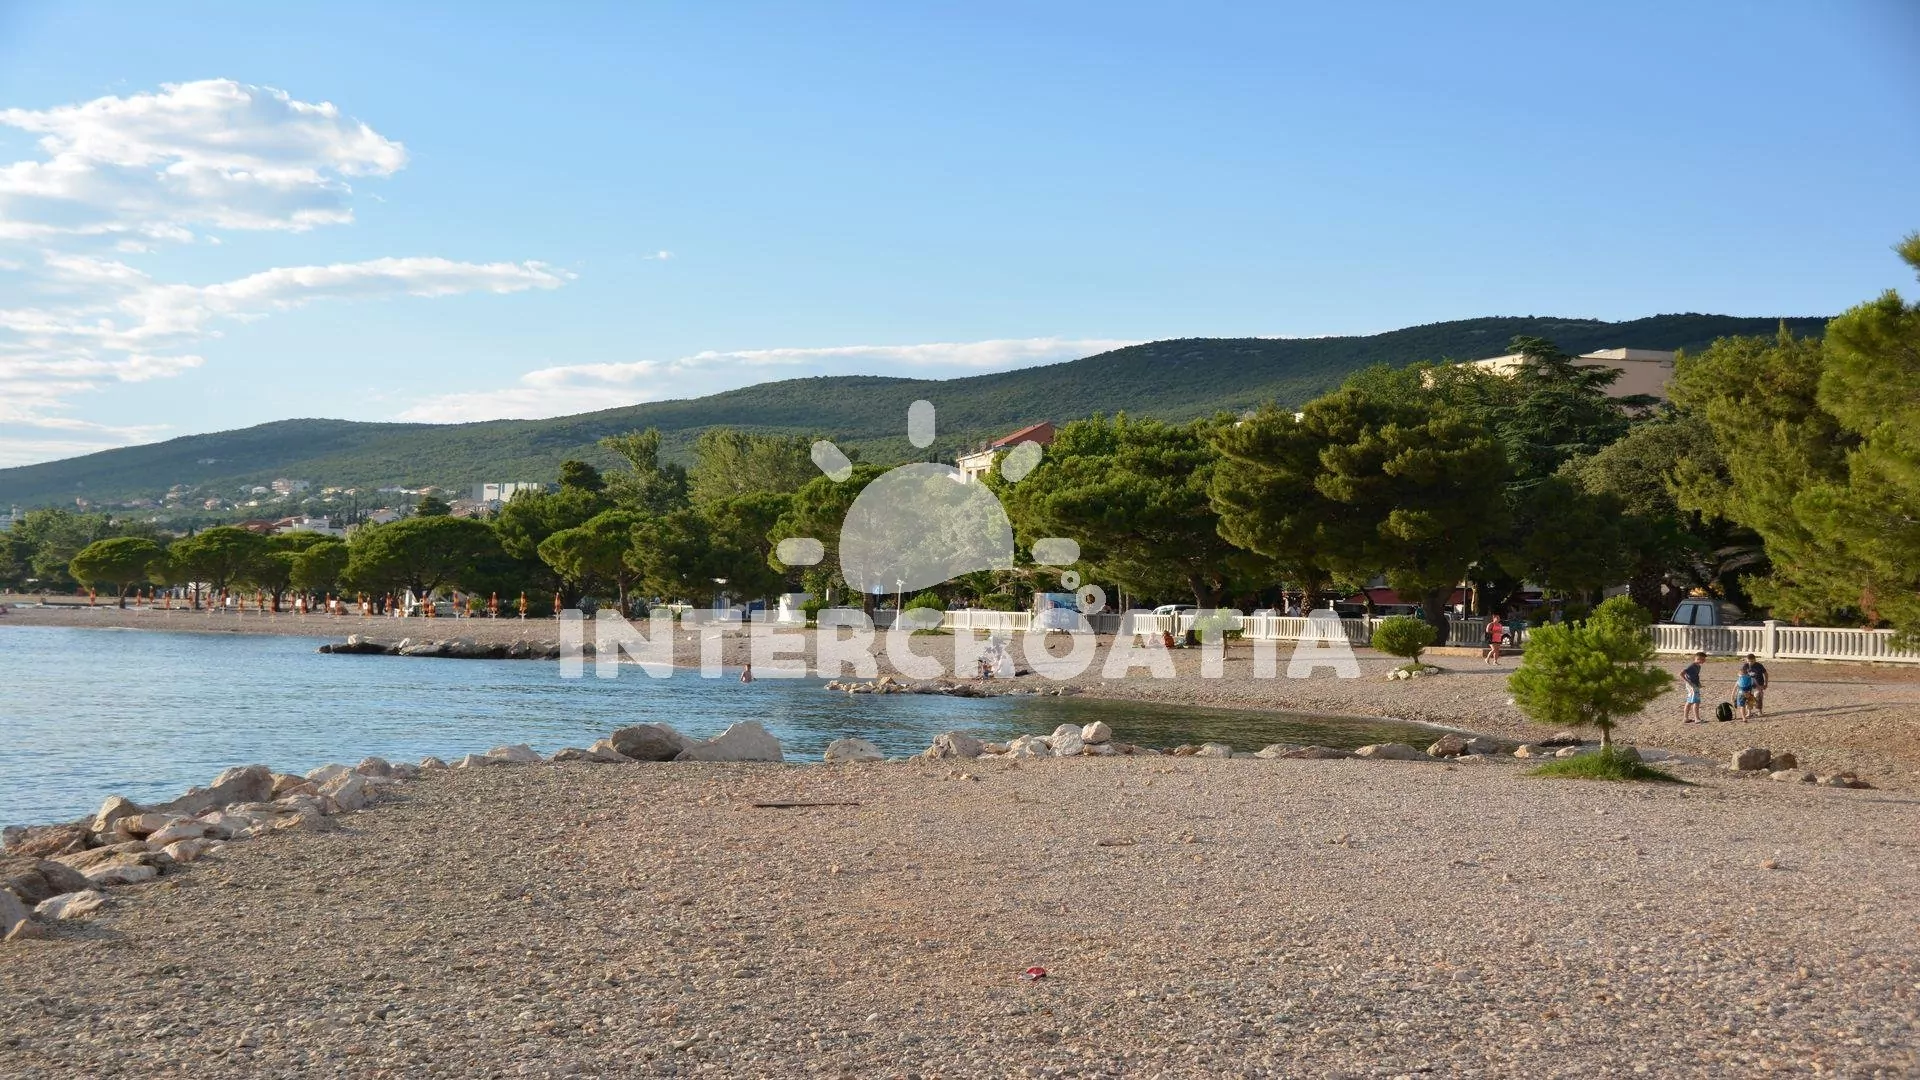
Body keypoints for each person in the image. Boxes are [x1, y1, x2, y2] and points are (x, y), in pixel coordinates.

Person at [1681, 651, 1706, 723]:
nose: (1703, 661)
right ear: (1697, 658)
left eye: (1704, 659)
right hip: (1691, 686)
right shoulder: (1691, 666)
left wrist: (1699, 684)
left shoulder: (1698, 666)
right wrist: (1688, 682)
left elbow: (1696, 676)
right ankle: (1696, 718)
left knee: (1690, 701)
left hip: (1695, 685)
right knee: (1696, 701)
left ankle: (1686, 718)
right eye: (1702, 659)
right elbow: (1681, 674)